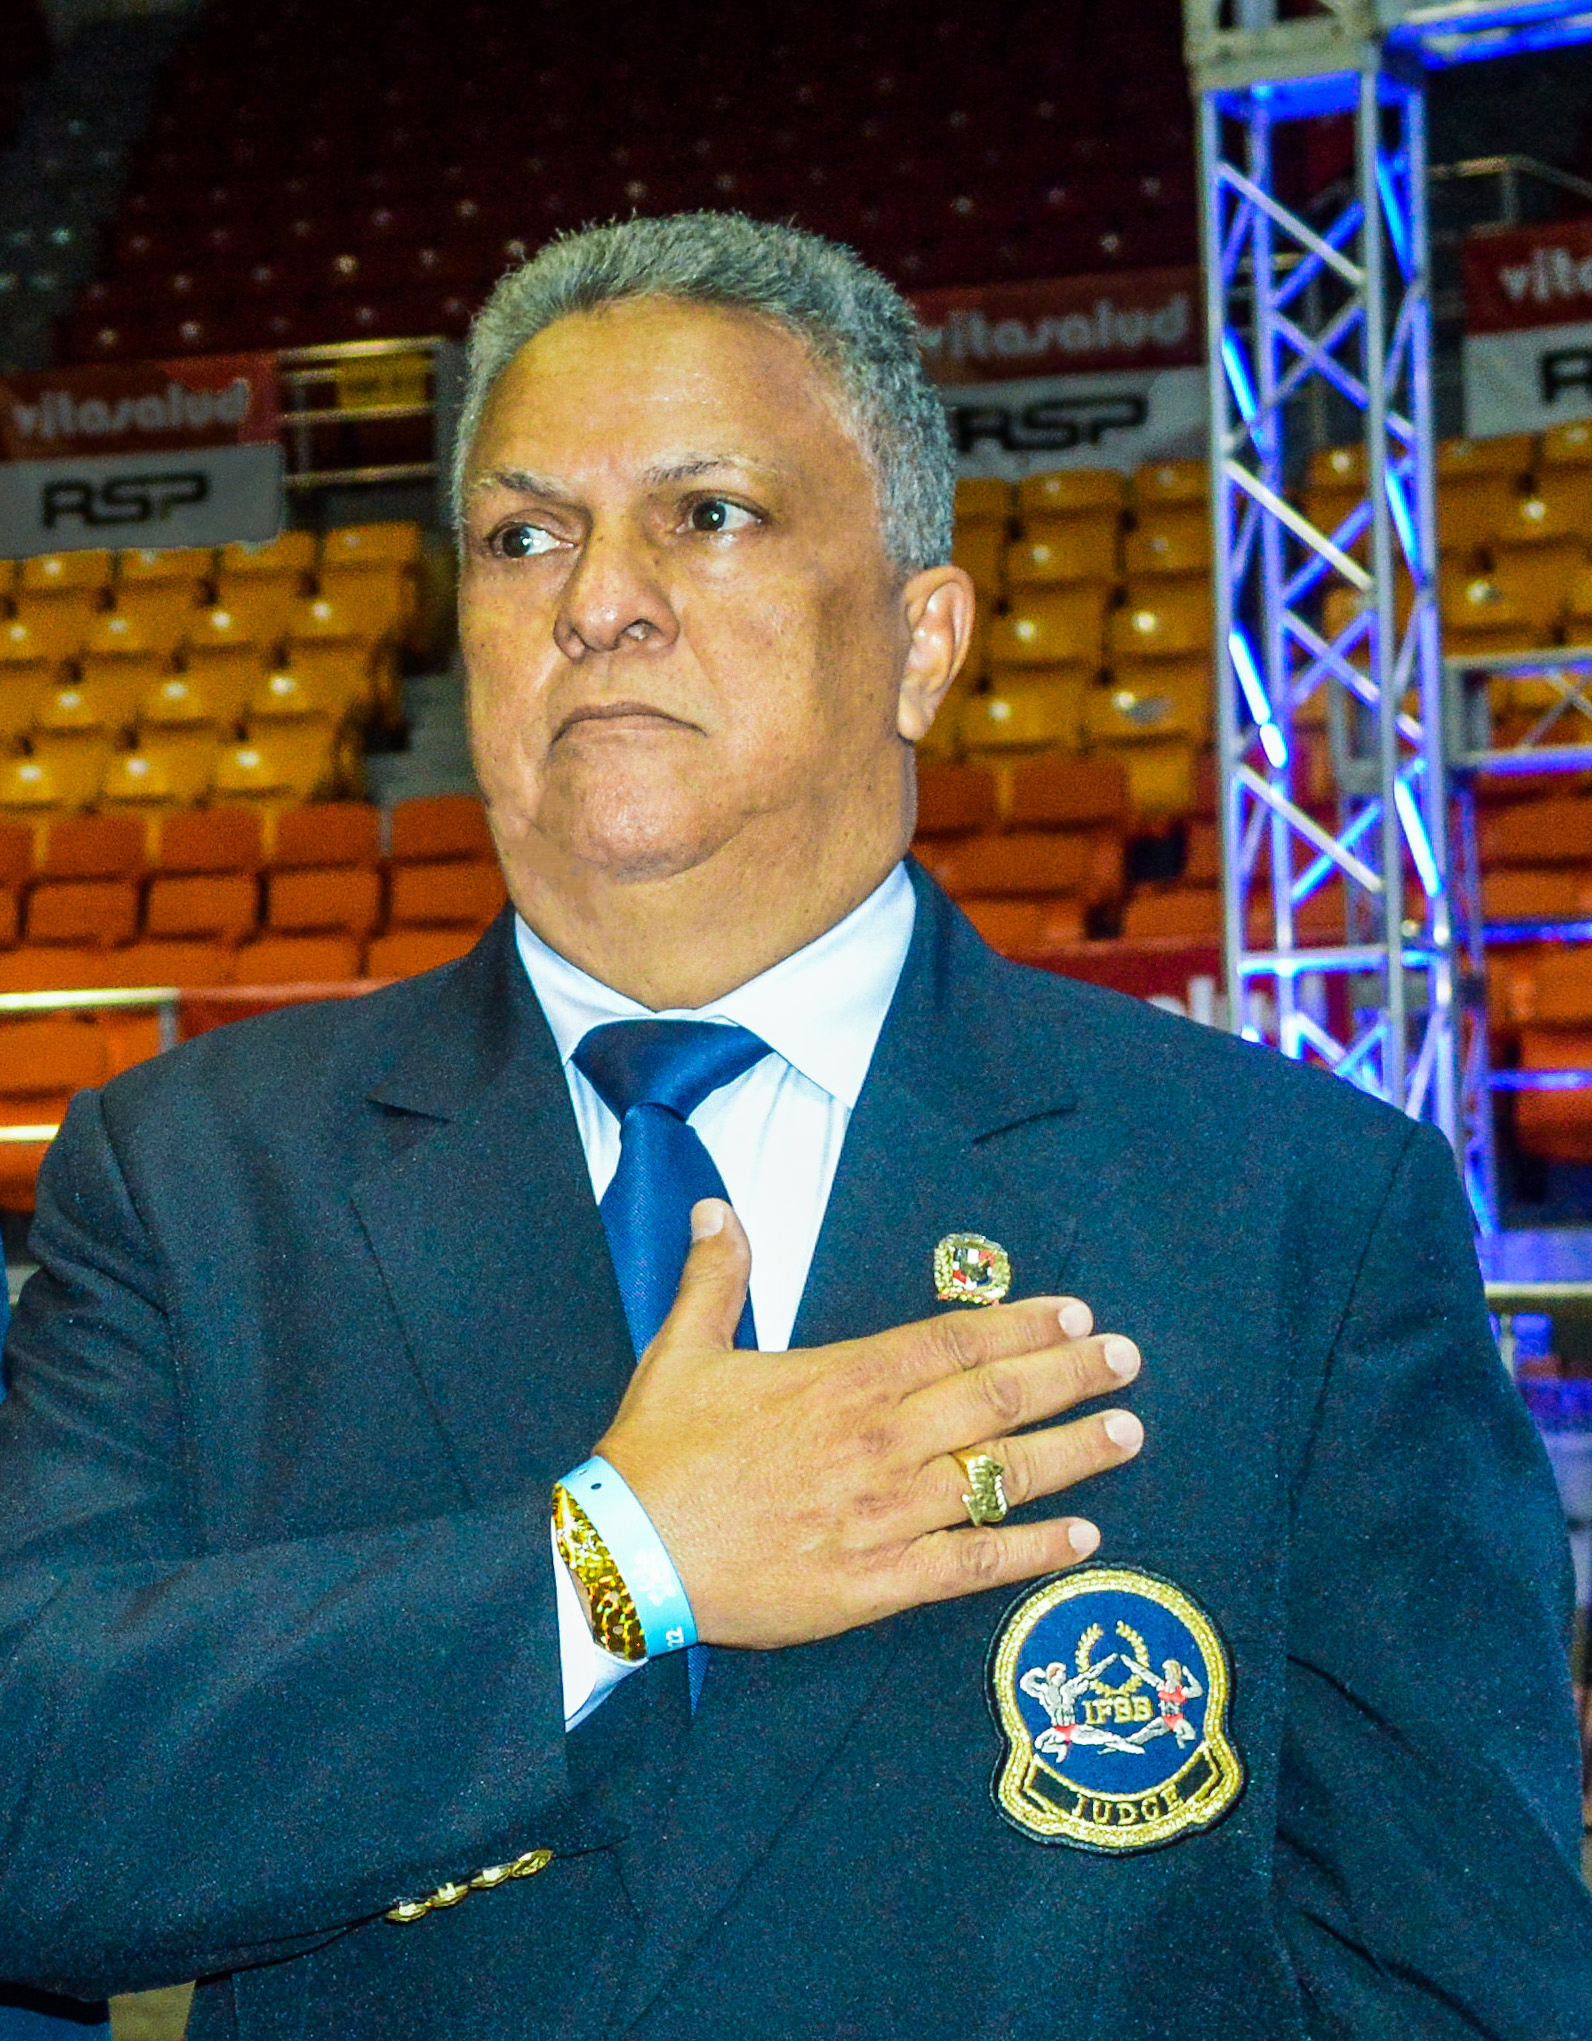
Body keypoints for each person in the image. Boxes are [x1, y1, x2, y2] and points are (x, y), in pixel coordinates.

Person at [0, 212, 1588, 2041]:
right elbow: (35, 1802)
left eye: (709, 513)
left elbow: (1458, 1978)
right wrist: (612, 1564)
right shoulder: (190, 1178)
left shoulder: (1295, 1206)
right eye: (524, 536)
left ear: (923, 640)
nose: (598, 599)